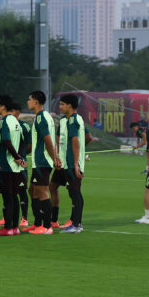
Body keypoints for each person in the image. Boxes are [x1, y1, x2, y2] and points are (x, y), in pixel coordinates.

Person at [25, 90, 61, 235]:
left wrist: (55, 158)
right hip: (40, 161)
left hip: (42, 161)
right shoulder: (46, 116)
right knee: (32, 190)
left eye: (29, 99)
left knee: (42, 192)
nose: (27, 102)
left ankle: (46, 226)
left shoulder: (41, 117)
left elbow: (47, 139)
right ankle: (37, 223)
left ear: (36, 101)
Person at [0, 95, 25, 237]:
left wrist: (16, 157)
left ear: (3, 106)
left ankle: (7, 228)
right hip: (16, 167)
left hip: (6, 165)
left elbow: (6, 141)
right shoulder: (15, 121)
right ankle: (15, 227)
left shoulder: (3, 122)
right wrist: (20, 157)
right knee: (14, 196)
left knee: (7, 197)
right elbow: (23, 141)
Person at [57, 94, 86, 233]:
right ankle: (75, 223)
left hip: (72, 163)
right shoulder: (74, 119)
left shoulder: (73, 120)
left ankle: (76, 224)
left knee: (75, 193)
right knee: (74, 192)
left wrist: (75, 164)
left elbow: (75, 141)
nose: (60, 107)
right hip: (69, 162)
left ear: (69, 106)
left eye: (62, 104)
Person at [7, 104, 31, 229]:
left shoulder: (24, 126)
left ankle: (24, 218)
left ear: (17, 112)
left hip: (20, 165)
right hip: (8, 164)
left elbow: (29, 143)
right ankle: (7, 216)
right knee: (8, 191)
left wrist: (22, 156)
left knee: (21, 190)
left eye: (11, 111)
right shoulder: (6, 124)